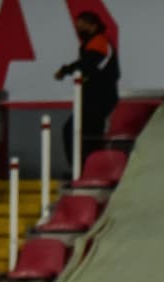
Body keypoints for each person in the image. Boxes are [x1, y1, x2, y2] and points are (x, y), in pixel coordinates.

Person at [54, 10, 120, 170]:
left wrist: (65, 70)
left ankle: (84, 170)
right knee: (86, 135)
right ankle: (87, 169)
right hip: (93, 99)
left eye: (82, 26)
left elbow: (88, 64)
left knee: (75, 131)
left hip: (99, 99)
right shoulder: (91, 43)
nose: (78, 29)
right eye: (77, 26)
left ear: (93, 26)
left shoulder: (99, 42)